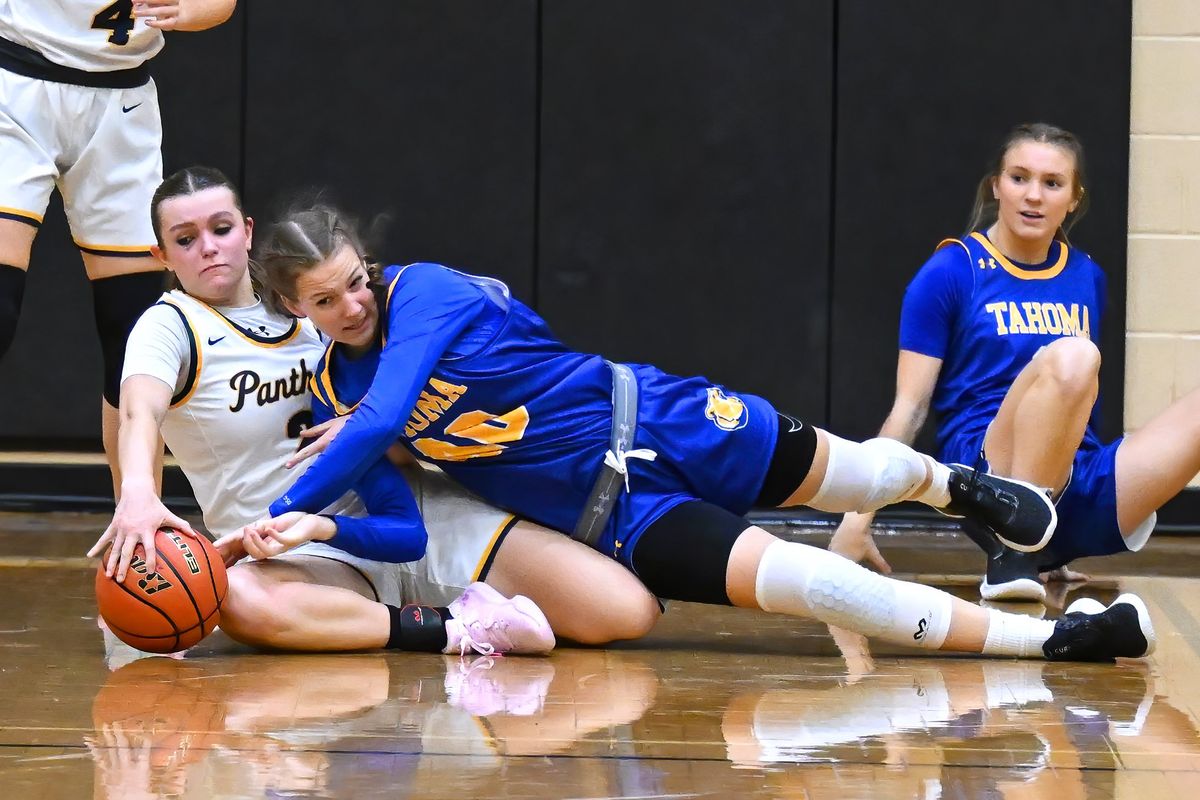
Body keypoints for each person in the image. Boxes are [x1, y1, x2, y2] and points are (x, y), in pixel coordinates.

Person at [248, 200, 1155, 663]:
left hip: (657, 416)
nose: (354, 302)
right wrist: (317, 526)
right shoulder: (339, 385)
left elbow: (382, 417)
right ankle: (1051, 643)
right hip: (614, 518)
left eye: (356, 278)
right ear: (292, 309)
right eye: (326, 300)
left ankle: (957, 487)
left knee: (845, 476)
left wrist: (285, 501)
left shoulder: (425, 292)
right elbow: (402, 521)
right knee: (815, 585)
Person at [87, 165, 662, 658]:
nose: (209, 247)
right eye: (185, 239)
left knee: (624, 612)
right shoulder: (169, 326)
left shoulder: (325, 309)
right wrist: (137, 493)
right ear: (161, 255)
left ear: (247, 231)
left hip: (405, 512)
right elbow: (139, 413)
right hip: (291, 548)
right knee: (236, 598)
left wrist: (373, 426)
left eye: (221, 228)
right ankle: (457, 630)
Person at [830, 122, 1195, 602]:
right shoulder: (950, 271)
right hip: (988, 482)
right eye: (1019, 178)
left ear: (1073, 197)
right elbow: (910, 409)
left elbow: (1083, 404)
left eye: (1052, 183)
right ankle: (1017, 547)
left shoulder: (1087, 276)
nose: (1034, 195)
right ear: (996, 187)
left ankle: (1046, 542)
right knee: (1076, 355)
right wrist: (856, 520)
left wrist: (1062, 549)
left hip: (1074, 482)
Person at [0, 1, 239, 492]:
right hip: (15, 78)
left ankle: (138, 524)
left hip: (121, 100)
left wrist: (194, 10)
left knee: (135, 342)